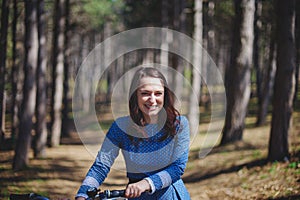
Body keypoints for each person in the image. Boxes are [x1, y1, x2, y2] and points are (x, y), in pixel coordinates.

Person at [75, 67, 191, 199]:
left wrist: (145, 184)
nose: (152, 100)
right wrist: (82, 195)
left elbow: (177, 168)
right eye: (145, 93)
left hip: (170, 196)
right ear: (135, 95)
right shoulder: (120, 127)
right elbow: (101, 166)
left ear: (165, 95)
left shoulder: (179, 124)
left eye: (158, 93)